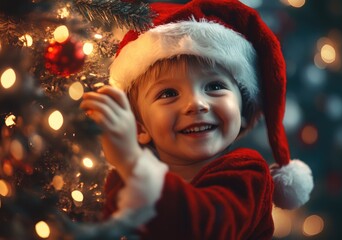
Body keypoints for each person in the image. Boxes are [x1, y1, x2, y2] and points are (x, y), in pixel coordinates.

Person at [80, 0, 314, 239]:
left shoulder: (247, 172)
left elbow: (203, 227)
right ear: (139, 127)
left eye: (214, 86)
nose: (196, 104)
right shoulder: (123, 180)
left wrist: (132, 162)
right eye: (168, 93)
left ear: (243, 112)